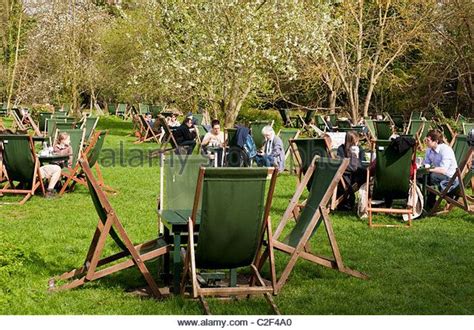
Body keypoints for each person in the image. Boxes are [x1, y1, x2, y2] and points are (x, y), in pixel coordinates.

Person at [423, 129, 457, 209]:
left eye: (428, 140)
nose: (426, 142)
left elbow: (443, 170)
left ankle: (430, 202)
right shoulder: (429, 150)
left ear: (436, 141)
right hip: (437, 173)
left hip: (450, 177)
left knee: (432, 177)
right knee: (421, 176)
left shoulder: (445, 150)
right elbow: (426, 163)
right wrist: (425, 167)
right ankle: (425, 201)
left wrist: (428, 169)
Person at [336, 131, 366, 210]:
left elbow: (362, 165)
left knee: (365, 173)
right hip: (345, 178)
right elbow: (342, 165)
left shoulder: (360, 149)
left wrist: (356, 155)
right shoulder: (341, 149)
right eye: (354, 142)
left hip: (356, 176)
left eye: (357, 141)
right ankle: (347, 200)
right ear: (349, 142)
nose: (356, 144)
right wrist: (353, 156)